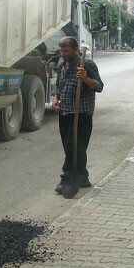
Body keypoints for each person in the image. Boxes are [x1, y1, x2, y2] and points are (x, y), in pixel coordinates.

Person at [51, 37, 104, 196]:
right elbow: (60, 85)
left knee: (72, 146)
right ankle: (83, 176)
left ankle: (67, 177)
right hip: (65, 112)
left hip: (81, 113)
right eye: (61, 51)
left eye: (66, 51)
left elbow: (99, 86)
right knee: (74, 148)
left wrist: (86, 78)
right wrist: (56, 99)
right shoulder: (61, 64)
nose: (63, 54)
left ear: (75, 50)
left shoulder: (86, 64)